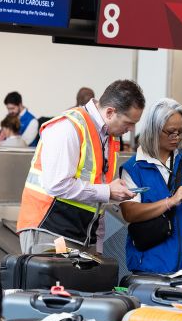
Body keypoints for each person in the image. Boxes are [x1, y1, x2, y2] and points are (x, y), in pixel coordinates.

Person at [17, 79, 145, 253]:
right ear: (109, 112)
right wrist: (107, 191)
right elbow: (57, 184)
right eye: (128, 123)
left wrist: (98, 243)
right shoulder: (68, 127)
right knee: (52, 281)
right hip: (49, 228)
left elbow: (96, 194)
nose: (130, 129)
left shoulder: (109, 136)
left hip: (82, 235)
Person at [119, 98, 182, 274]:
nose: (176, 137)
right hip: (150, 265)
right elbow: (129, 212)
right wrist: (170, 202)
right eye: (170, 132)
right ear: (153, 130)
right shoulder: (134, 168)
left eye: (180, 131)